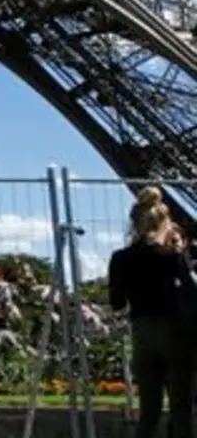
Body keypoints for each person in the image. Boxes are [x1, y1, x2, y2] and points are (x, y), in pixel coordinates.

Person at [107, 187, 194, 438]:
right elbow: (190, 294)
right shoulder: (171, 257)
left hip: (142, 332)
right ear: (165, 223)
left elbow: (117, 302)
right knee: (181, 407)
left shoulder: (120, 258)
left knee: (149, 410)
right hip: (175, 331)